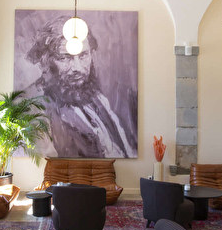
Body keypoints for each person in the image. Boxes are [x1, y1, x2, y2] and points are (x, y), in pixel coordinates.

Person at [23, 14, 137, 158]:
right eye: (65, 58)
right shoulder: (35, 107)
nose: (77, 67)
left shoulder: (96, 98)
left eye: (83, 55)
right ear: (46, 61)